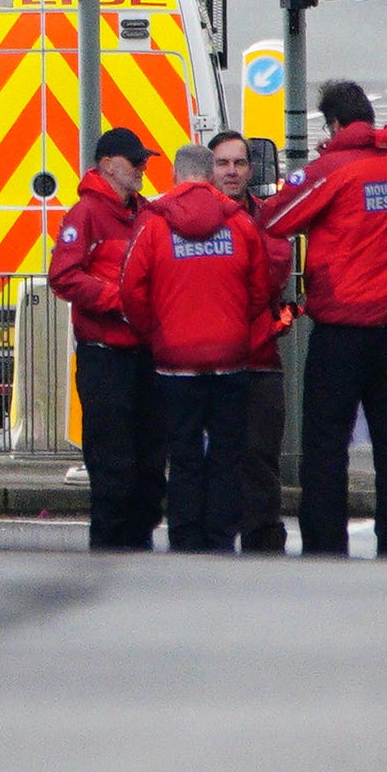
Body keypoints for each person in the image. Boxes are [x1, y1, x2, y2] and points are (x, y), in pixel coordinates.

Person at [265, 81, 387, 560]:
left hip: (341, 334)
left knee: (326, 448)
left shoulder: (333, 168)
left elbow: (273, 219)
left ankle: (325, 548)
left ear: (333, 124)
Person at [120, 144, 279, 553]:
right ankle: (220, 536)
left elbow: (131, 291)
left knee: (184, 454)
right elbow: (261, 288)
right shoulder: (239, 224)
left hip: (175, 362)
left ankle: (185, 536)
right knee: (227, 455)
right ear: (210, 174)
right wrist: (235, 328)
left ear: (175, 175)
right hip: (229, 359)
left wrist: (156, 333)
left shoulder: (153, 225)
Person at [48, 127, 164, 552]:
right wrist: (120, 300)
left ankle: (138, 543)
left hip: (144, 354)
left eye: (145, 161)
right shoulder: (86, 215)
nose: (143, 168)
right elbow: (62, 276)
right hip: (105, 357)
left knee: (149, 462)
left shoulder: (145, 213)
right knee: (113, 463)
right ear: (109, 164)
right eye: (135, 161)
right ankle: (110, 550)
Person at [207, 130, 290, 554]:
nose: (232, 171)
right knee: (210, 462)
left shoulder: (267, 217)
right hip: (205, 363)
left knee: (260, 460)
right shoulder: (194, 215)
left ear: (251, 168)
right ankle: (213, 542)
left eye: (239, 163)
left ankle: (263, 545)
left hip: (258, 358)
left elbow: (274, 271)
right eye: (223, 163)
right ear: (210, 168)